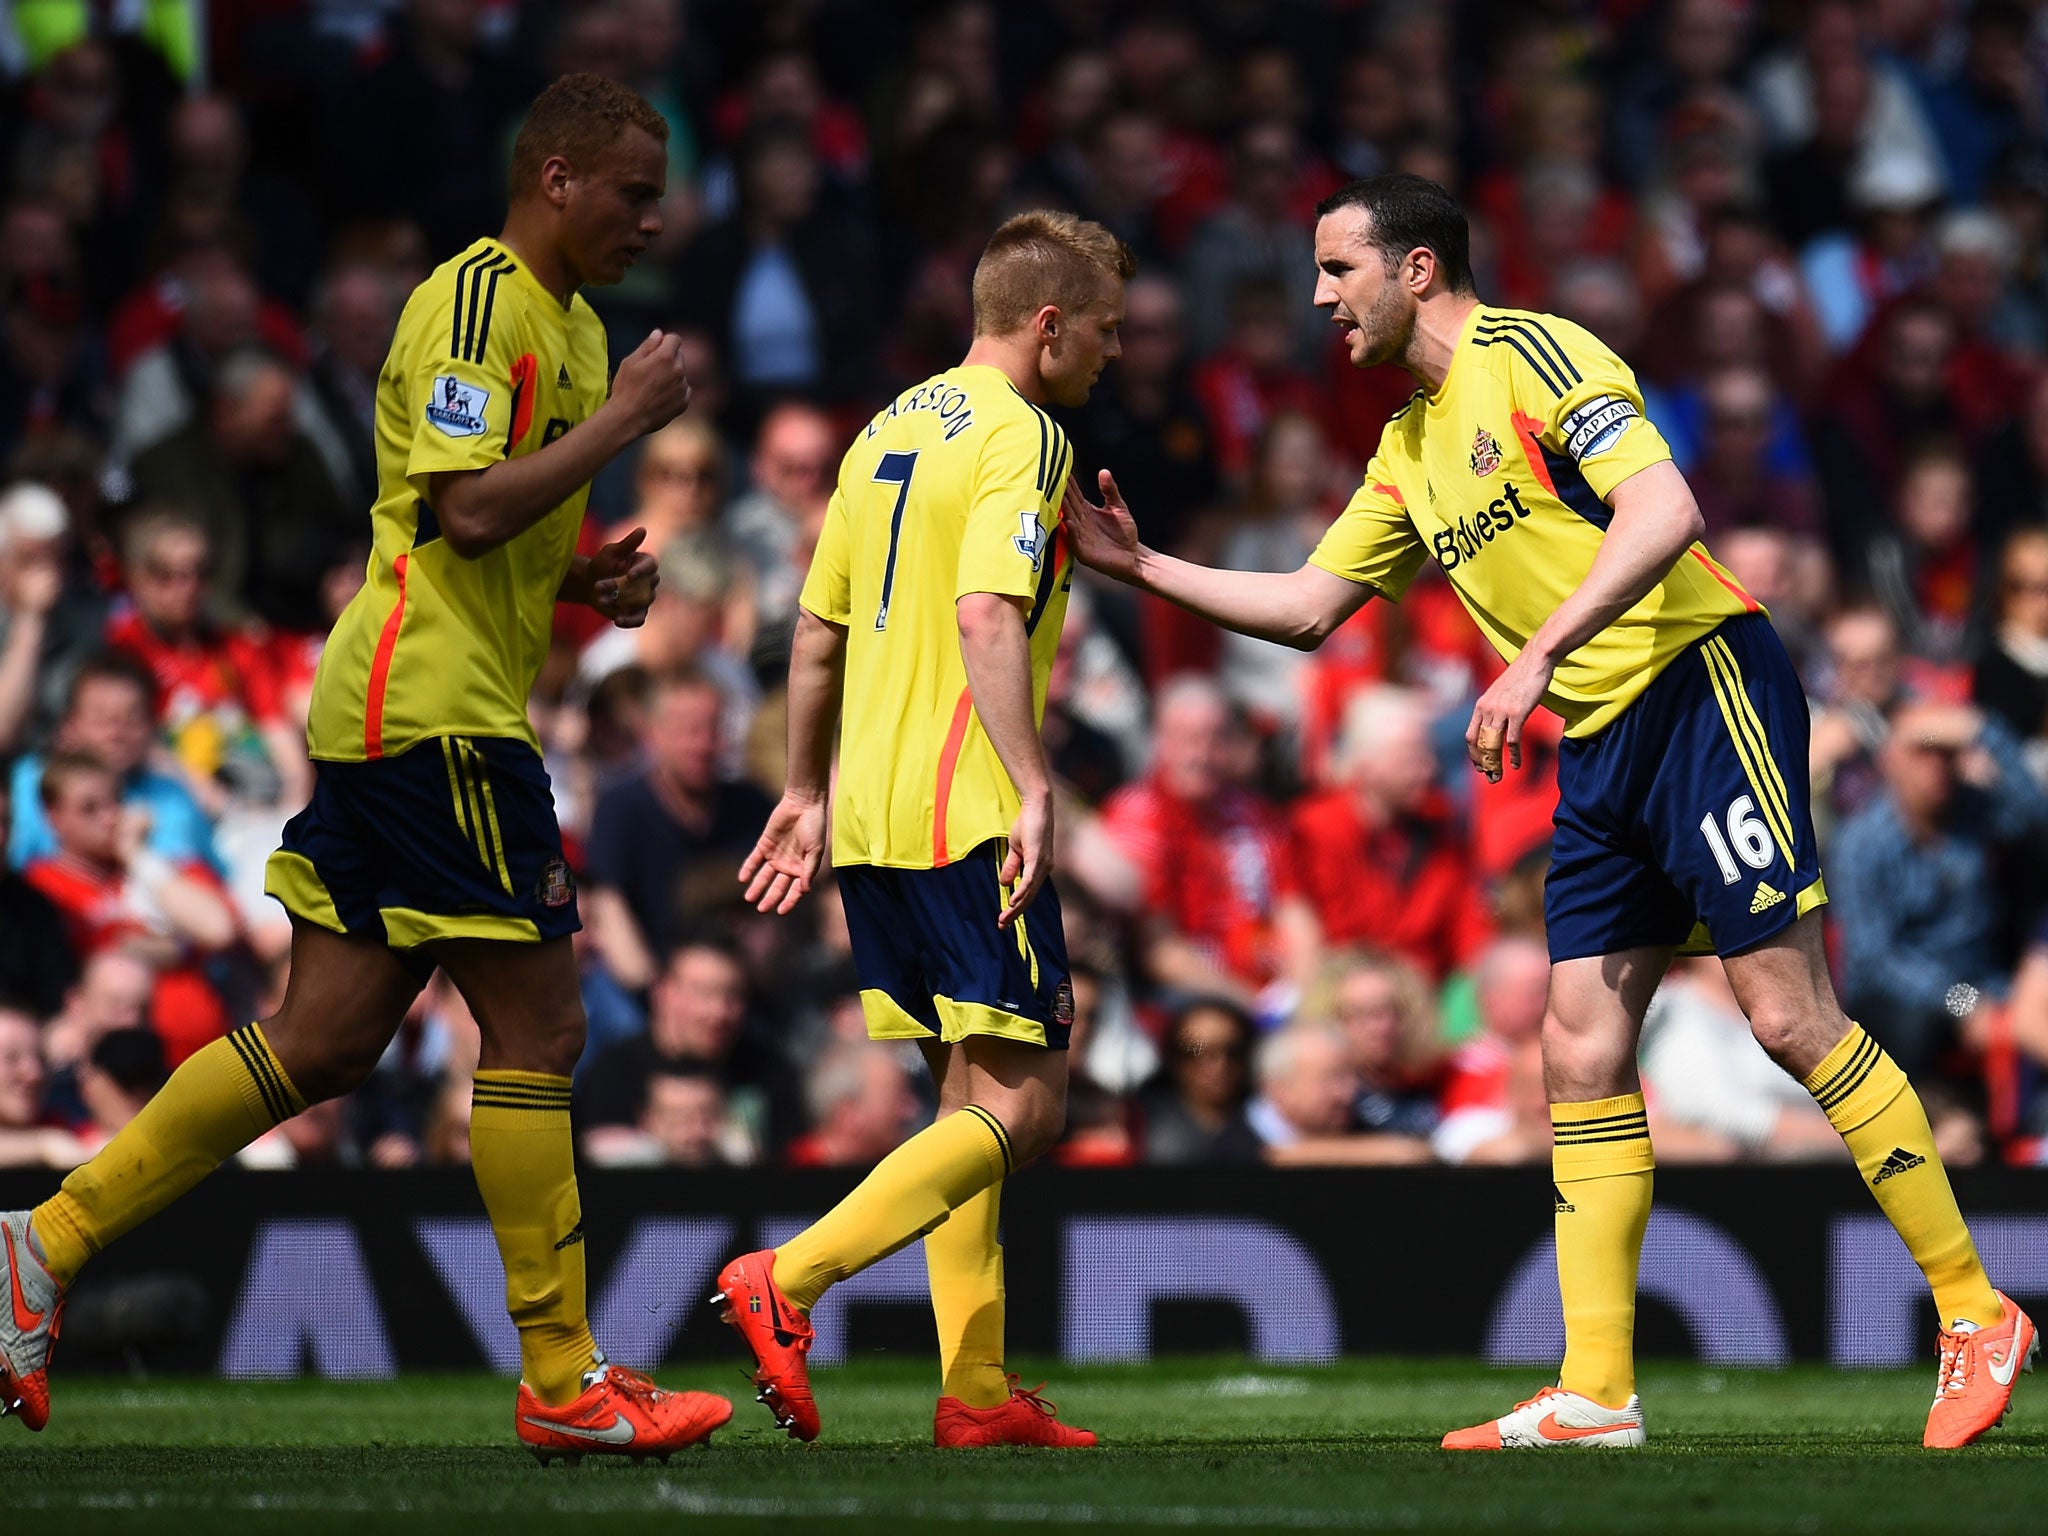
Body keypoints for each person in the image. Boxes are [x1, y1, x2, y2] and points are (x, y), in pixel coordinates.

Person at [1065, 173, 2031, 1450]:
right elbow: (1305, 607)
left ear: (1415, 269)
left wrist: (1529, 659)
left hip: (1698, 687)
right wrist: (1137, 567)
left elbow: (1664, 508)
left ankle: (1974, 1311)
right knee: (1575, 1044)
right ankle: (1594, 1391)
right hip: (1597, 744)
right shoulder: (1407, 446)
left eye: (1337, 269)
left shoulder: (1533, 353)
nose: (1317, 298)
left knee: (1788, 1014)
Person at [0, 74, 732, 1458]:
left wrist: (581, 578)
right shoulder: (478, 303)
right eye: (634, 190)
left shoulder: (570, 324)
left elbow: (470, 523)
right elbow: (457, 512)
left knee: (325, 1039)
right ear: (557, 177)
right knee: (541, 1031)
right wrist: (628, 423)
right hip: (432, 713)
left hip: (423, 700)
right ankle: (565, 1380)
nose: (656, 215)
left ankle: (40, 1243)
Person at [715, 209, 1130, 1451]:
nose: (1113, 353)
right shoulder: (1025, 436)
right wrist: (1034, 786)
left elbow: (814, 630)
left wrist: (799, 788)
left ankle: (977, 1390)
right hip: (966, 809)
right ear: (1046, 324)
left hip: (870, 814)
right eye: (1103, 330)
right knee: (1027, 1109)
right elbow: (987, 617)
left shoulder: (884, 427)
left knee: (964, 1099)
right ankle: (786, 1282)